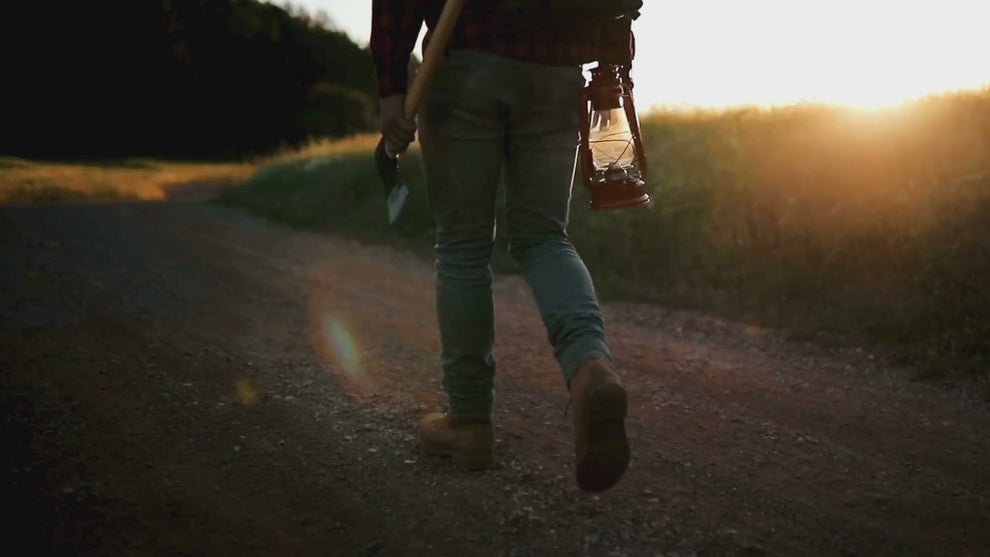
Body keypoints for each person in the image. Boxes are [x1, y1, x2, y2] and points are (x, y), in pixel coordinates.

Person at [371, 0, 639, 493]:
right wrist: (612, 60)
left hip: (464, 59)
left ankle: (470, 423)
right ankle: (589, 367)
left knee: (462, 244)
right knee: (544, 236)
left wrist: (390, 81)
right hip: (556, 70)